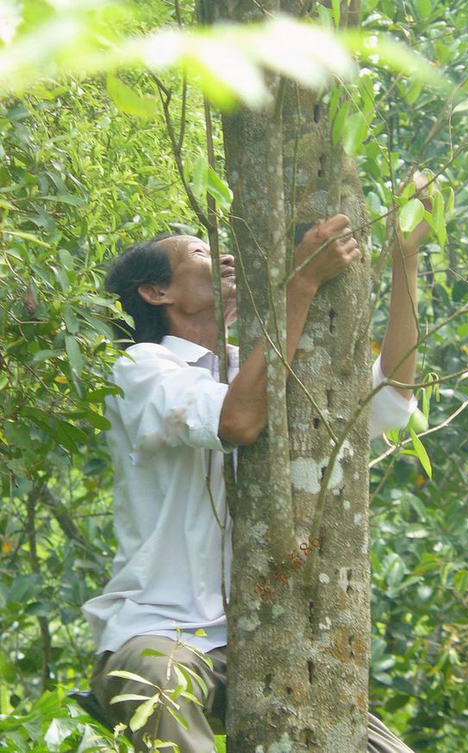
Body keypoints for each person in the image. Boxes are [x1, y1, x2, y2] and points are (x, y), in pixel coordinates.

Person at [83, 193, 429, 751]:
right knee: (158, 681)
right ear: (157, 292)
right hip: (161, 631)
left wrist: (404, 261)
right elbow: (239, 418)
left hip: (266, 638)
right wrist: (302, 285)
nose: (223, 257)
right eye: (200, 250)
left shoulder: (256, 361)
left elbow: (388, 401)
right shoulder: (139, 368)